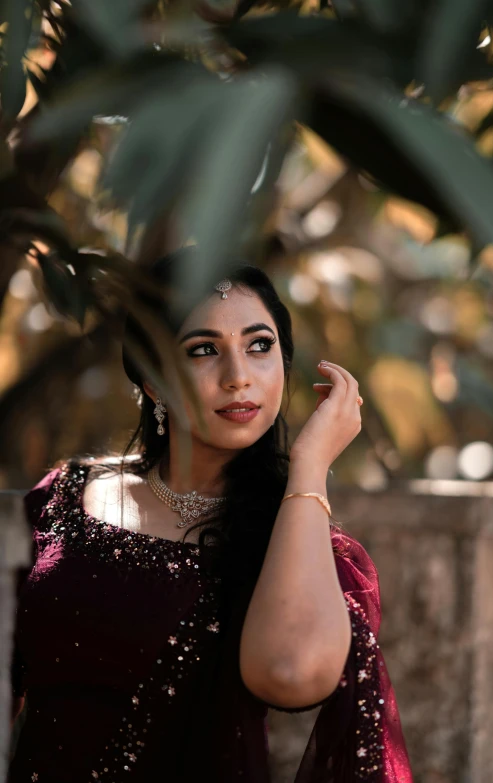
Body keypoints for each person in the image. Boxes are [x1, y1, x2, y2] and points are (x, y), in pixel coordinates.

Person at [9, 249, 413, 782]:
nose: (238, 377)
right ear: (153, 379)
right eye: (204, 349)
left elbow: (290, 675)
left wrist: (310, 467)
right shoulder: (65, 496)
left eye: (259, 346)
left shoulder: (297, 540)